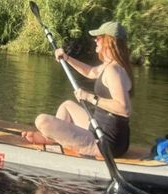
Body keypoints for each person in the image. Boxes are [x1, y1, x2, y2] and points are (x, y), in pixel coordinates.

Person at [22, 21, 133, 157]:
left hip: (106, 142)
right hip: (99, 128)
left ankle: (54, 139)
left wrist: (89, 97)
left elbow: (124, 109)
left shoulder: (114, 70)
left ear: (109, 41)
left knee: (42, 121)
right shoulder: (110, 66)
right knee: (67, 106)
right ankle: (51, 139)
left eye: (99, 37)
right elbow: (90, 72)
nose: (95, 40)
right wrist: (67, 58)